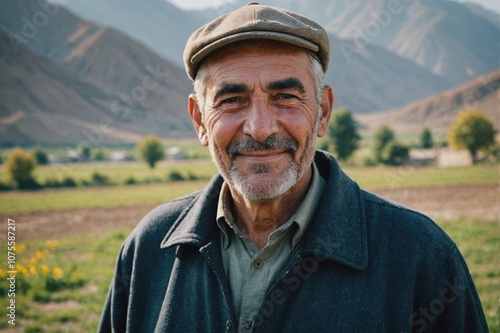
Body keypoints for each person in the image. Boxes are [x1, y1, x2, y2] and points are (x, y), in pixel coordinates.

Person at [99, 3, 488, 332]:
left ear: (323, 112)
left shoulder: (420, 257)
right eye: (232, 100)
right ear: (200, 120)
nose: (261, 127)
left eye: (285, 96)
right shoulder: (148, 250)